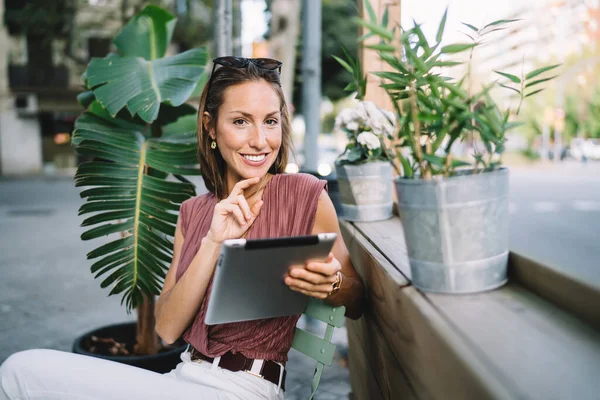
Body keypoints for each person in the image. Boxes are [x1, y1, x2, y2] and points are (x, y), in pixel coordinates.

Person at [0, 57, 365, 400]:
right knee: (20, 370)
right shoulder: (194, 211)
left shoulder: (303, 194)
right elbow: (168, 329)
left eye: (270, 121)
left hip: (244, 388)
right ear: (210, 126)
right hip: (182, 379)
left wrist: (332, 284)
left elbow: (357, 298)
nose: (260, 140)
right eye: (240, 121)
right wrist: (213, 241)